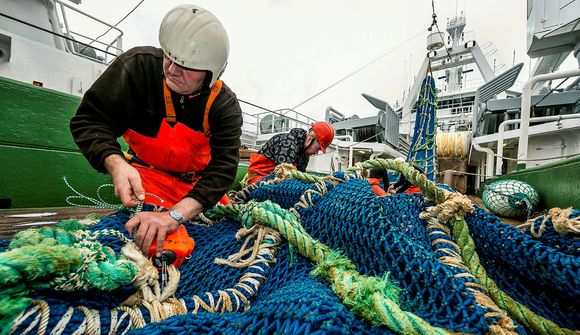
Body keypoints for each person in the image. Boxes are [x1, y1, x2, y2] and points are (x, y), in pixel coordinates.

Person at [70, 4, 243, 257]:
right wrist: (116, 164)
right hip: (146, 179)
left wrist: (175, 215)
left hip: (197, 187)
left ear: (211, 74)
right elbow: (89, 120)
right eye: (169, 56)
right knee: (150, 243)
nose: (172, 69)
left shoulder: (224, 105)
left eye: (186, 65)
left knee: (224, 239)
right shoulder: (135, 68)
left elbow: (223, 169)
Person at [246, 122, 335, 185]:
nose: (316, 152)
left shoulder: (304, 154)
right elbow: (284, 176)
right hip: (257, 180)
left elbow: (300, 176)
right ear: (309, 139)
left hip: (273, 181)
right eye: (317, 148)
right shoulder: (287, 142)